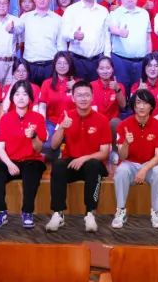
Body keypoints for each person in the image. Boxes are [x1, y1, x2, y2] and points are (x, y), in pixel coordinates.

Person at [46, 80, 111, 232]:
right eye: (79, 95)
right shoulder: (66, 116)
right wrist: (62, 127)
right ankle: (58, 213)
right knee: (58, 165)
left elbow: (104, 152)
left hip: (92, 162)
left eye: (86, 95)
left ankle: (90, 214)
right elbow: (54, 145)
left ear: (92, 97)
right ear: (73, 97)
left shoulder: (102, 120)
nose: (83, 98)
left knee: (94, 165)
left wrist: (83, 158)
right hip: (71, 163)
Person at [0, 79, 47, 230]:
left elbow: (39, 149)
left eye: (25, 94)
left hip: (31, 159)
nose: (21, 97)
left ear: (30, 98)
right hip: (10, 160)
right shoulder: (5, 118)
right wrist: (9, 164)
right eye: (17, 94)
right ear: (12, 97)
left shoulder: (38, 118)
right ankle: (0, 212)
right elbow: (0, 148)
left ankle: (27, 212)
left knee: (33, 170)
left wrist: (33, 136)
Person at [112, 88, 158, 228]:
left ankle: (156, 212)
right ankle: (120, 210)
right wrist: (126, 143)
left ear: (151, 106)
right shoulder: (123, 125)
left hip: (150, 164)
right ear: (134, 105)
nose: (142, 106)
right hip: (130, 163)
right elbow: (122, 156)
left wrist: (144, 169)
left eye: (145, 103)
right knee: (121, 171)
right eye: (138, 103)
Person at [62, 0, 112, 81]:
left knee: (96, 90)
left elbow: (106, 37)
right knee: (78, 89)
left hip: (98, 61)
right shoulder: (71, 10)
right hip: (76, 60)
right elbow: (64, 33)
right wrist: (73, 35)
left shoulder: (103, 11)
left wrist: (107, 58)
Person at [107, 0, 152, 93]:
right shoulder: (115, 13)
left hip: (141, 61)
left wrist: (149, 57)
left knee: (139, 93)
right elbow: (112, 29)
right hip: (120, 60)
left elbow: (148, 38)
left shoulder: (144, 13)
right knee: (121, 91)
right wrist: (120, 32)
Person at [16, 0, 64, 85]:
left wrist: (61, 64)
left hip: (50, 65)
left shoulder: (58, 19)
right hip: (30, 65)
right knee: (30, 93)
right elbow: (17, 34)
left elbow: (61, 45)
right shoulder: (25, 17)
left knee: (50, 93)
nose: (42, 0)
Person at [37, 52, 76, 147]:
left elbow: (84, 104)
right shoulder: (47, 83)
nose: (62, 66)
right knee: (47, 147)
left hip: (73, 123)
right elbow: (42, 106)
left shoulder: (77, 83)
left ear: (70, 65)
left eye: (65, 63)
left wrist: (76, 88)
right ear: (54, 65)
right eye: (59, 63)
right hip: (52, 123)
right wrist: (42, 125)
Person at [90, 56, 126, 130]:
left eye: (108, 68)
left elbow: (123, 106)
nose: (105, 71)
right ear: (97, 70)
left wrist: (117, 90)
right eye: (101, 68)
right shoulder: (91, 86)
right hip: (96, 122)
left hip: (112, 123)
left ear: (112, 69)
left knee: (115, 122)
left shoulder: (119, 86)